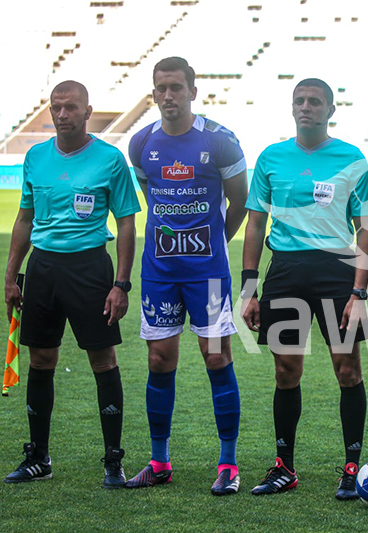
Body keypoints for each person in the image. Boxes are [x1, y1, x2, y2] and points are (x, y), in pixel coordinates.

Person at [242, 78, 368, 499]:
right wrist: (249, 287)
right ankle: (284, 466)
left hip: (337, 272)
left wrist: (358, 292)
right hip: (285, 270)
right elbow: (256, 225)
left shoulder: (351, 158)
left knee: (347, 369)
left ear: (330, 110)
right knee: (286, 371)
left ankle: (352, 466)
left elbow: (366, 227)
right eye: (299, 101)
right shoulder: (271, 158)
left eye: (315, 101)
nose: (306, 107)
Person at [3, 80, 140, 488]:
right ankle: (38, 457)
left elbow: (128, 222)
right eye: (55, 107)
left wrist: (121, 283)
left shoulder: (110, 159)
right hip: (43, 269)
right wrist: (12, 274)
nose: (62, 114)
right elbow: (25, 218)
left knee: (103, 361)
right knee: (40, 361)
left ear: (87, 111)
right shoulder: (35, 157)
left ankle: (113, 460)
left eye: (71, 107)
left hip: (90, 269)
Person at [125, 57, 248, 496]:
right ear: (153, 93)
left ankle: (228, 463)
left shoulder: (220, 142)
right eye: (161, 88)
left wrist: (214, 242)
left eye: (177, 87)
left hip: (208, 274)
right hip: (159, 271)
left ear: (193, 92)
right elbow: (150, 195)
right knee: (159, 360)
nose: (169, 95)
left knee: (217, 358)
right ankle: (159, 461)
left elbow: (239, 204)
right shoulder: (140, 144)